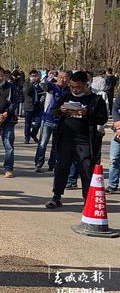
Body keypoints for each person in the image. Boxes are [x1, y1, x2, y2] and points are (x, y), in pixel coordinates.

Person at [46, 71, 108, 209]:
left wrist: (87, 113)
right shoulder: (66, 96)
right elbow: (53, 112)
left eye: (78, 87)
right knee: (61, 168)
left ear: (86, 85)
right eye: (72, 86)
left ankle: (87, 199)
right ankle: (56, 196)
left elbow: (103, 118)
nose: (75, 90)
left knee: (86, 170)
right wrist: (61, 110)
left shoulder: (96, 100)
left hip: (85, 141)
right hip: (65, 139)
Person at [34, 70, 71, 173]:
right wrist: (49, 76)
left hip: (61, 121)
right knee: (42, 143)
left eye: (65, 78)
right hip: (48, 119)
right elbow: (42, 84)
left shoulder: (69, 91)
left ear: (68, 79)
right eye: (60, 77)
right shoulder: (52, 87)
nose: (62, 80)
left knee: (56, 145)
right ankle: (38, 163)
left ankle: (52, 164)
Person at [0, 66, 18, 178]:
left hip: (8, 120)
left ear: (5, 76)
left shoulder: (11, 87)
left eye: (0, 75)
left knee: (8, 146)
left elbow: (15, 102)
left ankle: (8, 168)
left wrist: (6, 113)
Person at [23, 70, 44, 144]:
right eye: (32, 76)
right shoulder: (26, 83)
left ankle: (33, 134)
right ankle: (27, 137)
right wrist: (31, 83)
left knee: (39, 122)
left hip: (38, 106)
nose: (34, 77)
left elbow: (44, 91)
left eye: (35, 76)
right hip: (28, 106)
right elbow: (26, 91)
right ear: (30, 76)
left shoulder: (40, 84)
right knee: (28, 124)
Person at [106, 93, 120, 194]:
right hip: (118, 133)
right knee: (114, 158)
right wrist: (119, 126)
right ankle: (112, 185)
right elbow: (115, 109)